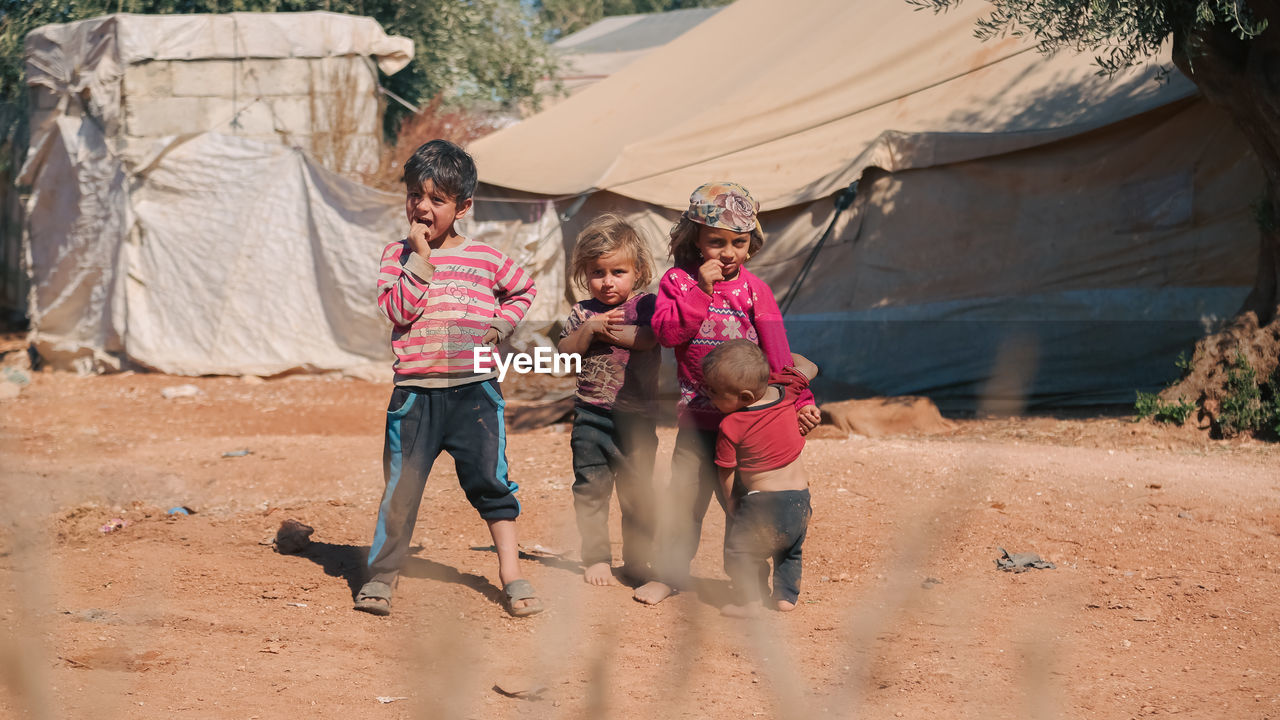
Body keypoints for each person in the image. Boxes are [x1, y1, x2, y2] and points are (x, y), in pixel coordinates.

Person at [354, 139, 543, 618]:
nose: (422, 207)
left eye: (437, 199)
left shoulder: (484, 257)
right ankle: (382, 575)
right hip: (415, 397)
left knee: (490, 481)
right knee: (401, 488)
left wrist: (501, 322)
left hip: (475, 394)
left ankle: (511, 573)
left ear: (463, 207)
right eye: (416, 195)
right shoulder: (395, 256)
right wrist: (419, 258)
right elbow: (396, 309)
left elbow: (523, 288)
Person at [634, 181, 820, 605]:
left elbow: (778, 355)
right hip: (697, 419)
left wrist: (802, 402)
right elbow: (666, 333)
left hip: (752, 424)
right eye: (716, 241)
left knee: (745, 503)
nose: (727, 252)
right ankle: (669, 574)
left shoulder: (757, 291)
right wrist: (701, 291)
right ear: (695, 240)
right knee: (683, 501)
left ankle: (750, 582)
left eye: (738, 242)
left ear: (751, 244)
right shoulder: (678, 284)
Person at [557, 213, 661, 587]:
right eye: (598, 272)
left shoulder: (646, 306)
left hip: (638, 419)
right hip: (591, 417)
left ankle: (637, 560)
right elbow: (566, 352)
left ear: (638, 270)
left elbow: (649, 339)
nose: (607, 281)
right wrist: (588, 329)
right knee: (590, 490)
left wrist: (609, 332)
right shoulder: (582, 313)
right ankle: (597, 557)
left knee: (638, 494)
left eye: (618, 272)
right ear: (585, 274)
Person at [701, 340, 817, 617]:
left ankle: (750, 602)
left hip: (763, 504)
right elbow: (810, 367)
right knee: (790, 552)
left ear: (744, 397)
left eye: (715, 392)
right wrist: (780, 354)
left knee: (742, 554)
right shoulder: (787, 390)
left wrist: (732, 503)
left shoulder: (731, 425)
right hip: (801, 499)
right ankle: (786, 598)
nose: (708, 395)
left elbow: (726, 470)